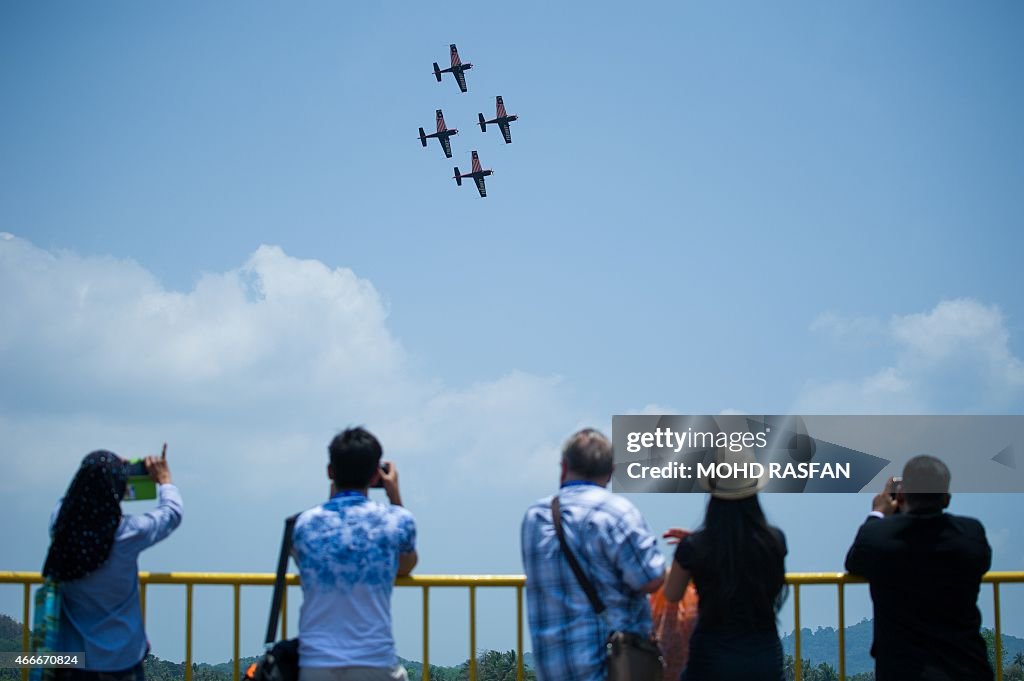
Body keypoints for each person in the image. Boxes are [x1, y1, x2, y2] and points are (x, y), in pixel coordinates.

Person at [521, 428, 665, 681]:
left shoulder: (535, 517)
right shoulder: (617, 512)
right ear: (610, 471)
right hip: (611, 663)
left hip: (553, 667)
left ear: (564, 467)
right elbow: (649, 579)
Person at [845, 455, 993, 681]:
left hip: (903, 670)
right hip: (966, 667)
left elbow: (855, 561)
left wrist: (877, 514)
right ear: (946, 499)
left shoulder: (877, 536)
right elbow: (982, 561)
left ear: (901, 496)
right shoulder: (971, 533)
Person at [44, 446, 182, 681]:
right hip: (121, 659)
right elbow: (171, 514)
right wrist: (164, 481)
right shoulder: (127, 534)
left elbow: (68, 501)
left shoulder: (61, 526)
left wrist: (100, 474)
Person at [292, 427, 417, 681]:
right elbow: (405, 565)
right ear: (375, 476)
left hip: (315, 662)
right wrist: (394, 495)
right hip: (374, 661)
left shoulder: (304, 524)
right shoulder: (397, 519)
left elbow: (305, 562)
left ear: (330, 472)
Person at [663, 446, 787, 681]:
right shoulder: (775, 541)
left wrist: (688, 546)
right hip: (764, 656)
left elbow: (672, 593)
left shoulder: (695, 547)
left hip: (711, 658)